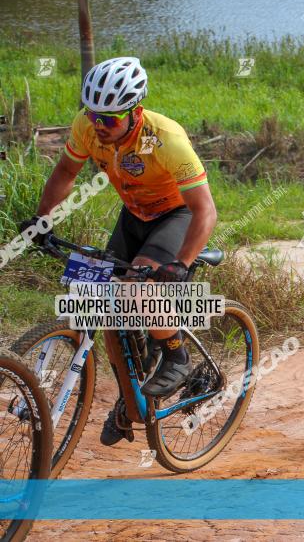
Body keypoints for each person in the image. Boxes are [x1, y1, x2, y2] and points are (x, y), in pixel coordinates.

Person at [21, 57, 217, 445]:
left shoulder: (165, 138)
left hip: (175, 215)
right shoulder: (88, 127)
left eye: (110, 119)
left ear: (135, 112)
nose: (99, 126)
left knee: (134, 290)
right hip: (133, 215)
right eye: (94, 115)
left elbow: (205, 209)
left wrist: (181, 264)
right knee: (98, 299)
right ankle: (132, 395)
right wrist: (42, 220)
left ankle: (177, 355)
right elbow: (64, 173)